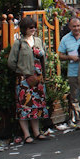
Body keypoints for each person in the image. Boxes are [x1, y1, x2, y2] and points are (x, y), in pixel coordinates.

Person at [7, 16, 50, 144]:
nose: (33, 29)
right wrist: (22, 72)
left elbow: (44, 56)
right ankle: (26, 134)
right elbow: (11, 62)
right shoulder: (19, 43)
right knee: (24, 107)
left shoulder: (38, 41)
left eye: (34, 27)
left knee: (36, 106)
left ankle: (36, 132)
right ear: (24, 29)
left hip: (37, 79)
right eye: (30, 27)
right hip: (24, 80)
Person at [57, 17, 80, 129]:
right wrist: (69, 57)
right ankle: (79, 120)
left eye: (78, 26)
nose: (76, 28)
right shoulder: (65, 39)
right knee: (75, 97)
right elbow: (60, 55)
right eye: (74, 26)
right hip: (73, 72)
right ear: (70, 27)